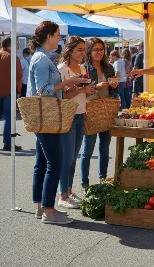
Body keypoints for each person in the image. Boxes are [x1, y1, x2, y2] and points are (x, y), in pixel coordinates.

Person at [28, 21, 88, 224]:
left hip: (42, 115)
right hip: (46, 115)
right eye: (58, 35)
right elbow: (44, 90)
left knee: (43, 162)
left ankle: (41, 207)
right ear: (48, 37)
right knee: (55, 162)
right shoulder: (43, 59)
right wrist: (70, 82)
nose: (60, 38)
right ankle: (49, 212)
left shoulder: (41, 57)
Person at [57, 36, 97, 209]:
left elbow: (82, 93)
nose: (83, 53)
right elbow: (63, 95)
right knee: (67, 158)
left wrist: (90, 90)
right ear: (70, 50)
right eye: (79, 49)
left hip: (81, 113)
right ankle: (62, 196)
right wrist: (83, 89)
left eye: (84, 49)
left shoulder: (82, 68)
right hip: (68, 116)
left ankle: (69, 190)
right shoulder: (62, 69)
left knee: (73, 157)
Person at [80, 38, 118, 190]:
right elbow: (82, 89)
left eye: (101, 49)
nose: (99, 52)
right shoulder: (84, 68)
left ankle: (102, 181)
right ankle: (85, 184)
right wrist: (96, 86)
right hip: (90, 110)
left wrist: (114, 85)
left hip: (106, 109)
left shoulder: (109, 68)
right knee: (87, 150)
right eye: (95, 49)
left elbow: (114, 91)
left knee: (105, 149)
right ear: (89, 51)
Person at [0, 36, 22, 151]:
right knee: (8, 116)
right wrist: (18, 91)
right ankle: (8, 143)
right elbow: (18, 76)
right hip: (8, 90)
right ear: (10, 45)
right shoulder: (13, 58)